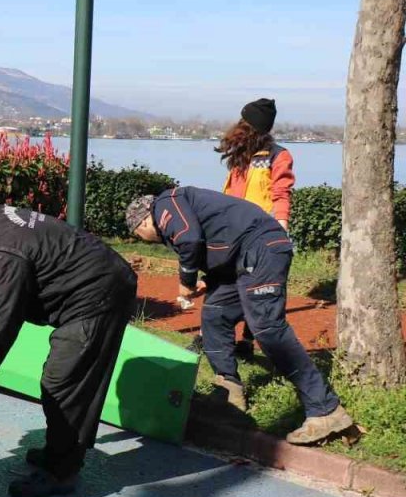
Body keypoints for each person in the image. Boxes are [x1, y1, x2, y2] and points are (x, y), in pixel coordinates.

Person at [0, 184, 138, 497]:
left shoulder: (2, 250)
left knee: (62, 383)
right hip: (93, 286)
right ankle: (57, 452)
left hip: (98, 295)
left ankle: (62, 473)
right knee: (62, 379)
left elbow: (2, 325)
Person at [127, 188, 357, 444]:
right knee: (215, 314)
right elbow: (218, 241)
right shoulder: (177, 209)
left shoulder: (165, 203)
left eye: (138, 234)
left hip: (260, 248)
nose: (143, 239)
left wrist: (186, 281)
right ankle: (229, 395)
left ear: (143, 221)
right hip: (242, 259)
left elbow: (189, 240)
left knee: (268, 328)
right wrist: (206, 281)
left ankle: (325, 410)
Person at [217, 97, 295, 356]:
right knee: (222, 281)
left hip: (259, 233)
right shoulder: (240, 154)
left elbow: (281, 192)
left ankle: (247, 343)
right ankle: (213, 337)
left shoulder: (278, 155)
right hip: (232, 230)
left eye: (243, 123)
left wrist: (281, 228)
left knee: (257, 288)